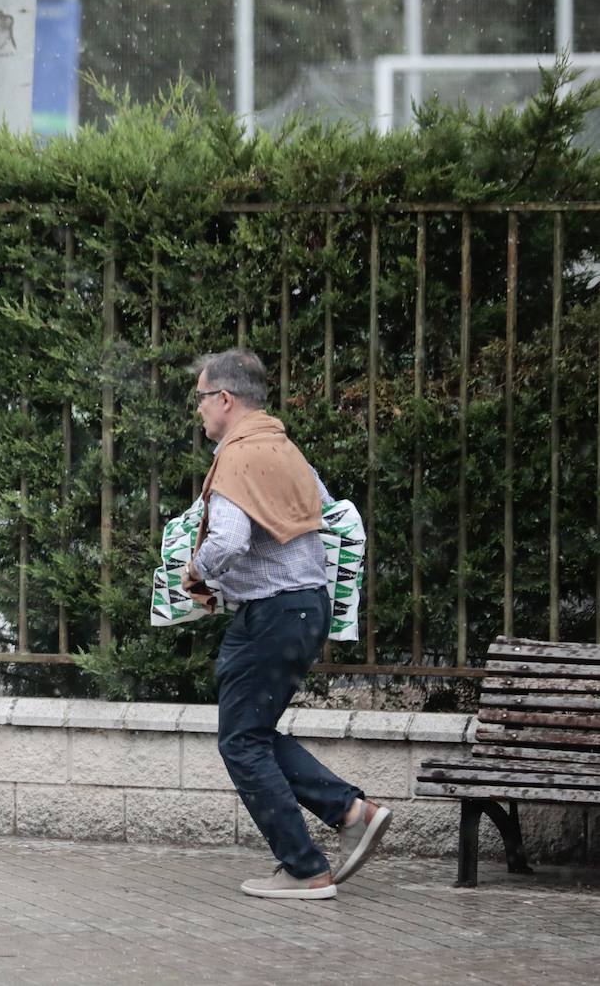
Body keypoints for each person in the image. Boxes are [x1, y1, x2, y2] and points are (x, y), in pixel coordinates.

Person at [182, 348, 391, 900]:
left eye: (202, 399)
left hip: (272, 612)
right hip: (305, 606)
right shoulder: (285, 449)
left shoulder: (238, 457)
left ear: (225, 400)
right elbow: (329, 512)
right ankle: (351, 811)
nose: (199, 411)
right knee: (252, 735)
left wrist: (193, 571)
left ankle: (306, 868)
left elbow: (226, 540)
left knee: (240, 743)